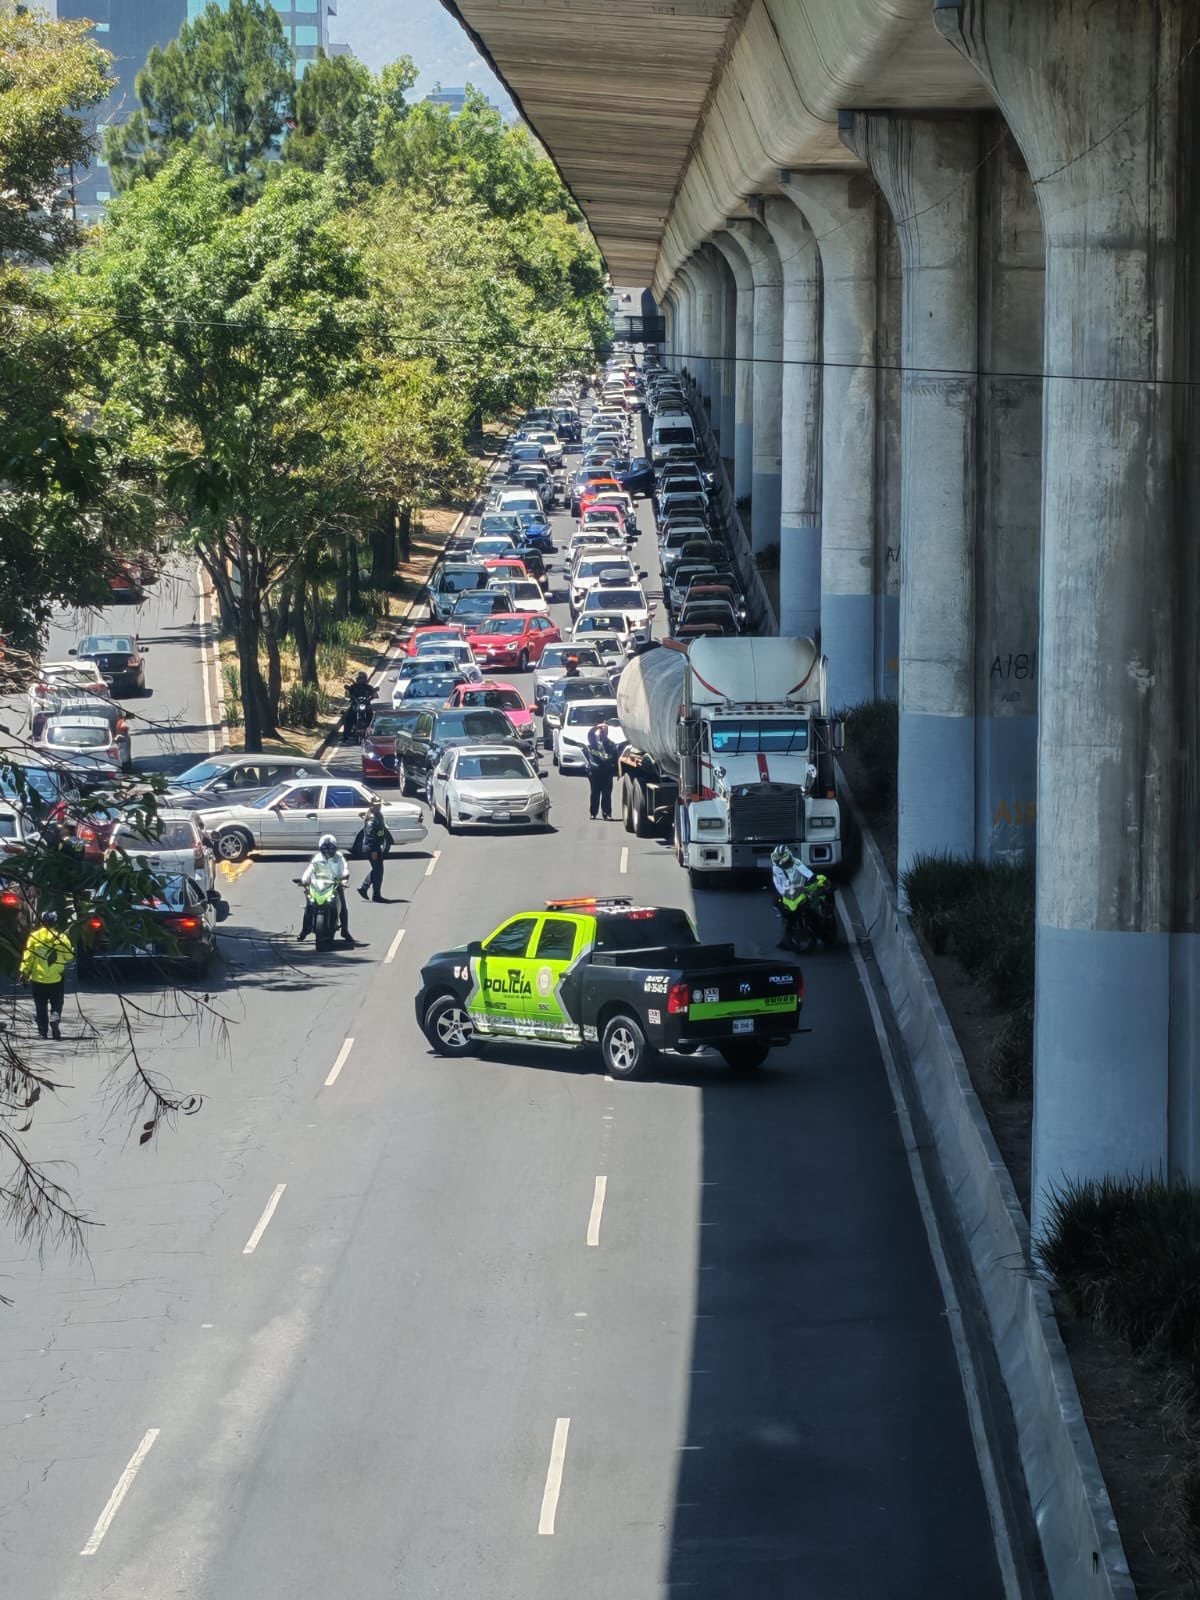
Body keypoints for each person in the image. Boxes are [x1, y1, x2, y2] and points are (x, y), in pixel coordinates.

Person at [19, 910, 73, 1040]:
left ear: (42, 922)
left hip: (38, 978)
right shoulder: (61, 938)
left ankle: (43, 1032)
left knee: (40, 1006)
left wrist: (24, 972)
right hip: (56, 977)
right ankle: (55, 1017)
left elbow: (28, 957)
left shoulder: (34, 937)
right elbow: (69, 956)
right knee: (57, 1003)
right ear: (55, 922)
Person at [299, 834, 355, 946]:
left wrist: (344, 878)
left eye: (330, 848)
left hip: (334, 884)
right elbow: (309, 870)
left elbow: (344, 869)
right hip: (317, 886)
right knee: (309, 906)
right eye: (325, 848)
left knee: (343, 907)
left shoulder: (339, 858)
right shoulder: (317, 858)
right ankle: (305, 930)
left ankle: (345, 930)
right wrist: (304, 880)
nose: (328, 851)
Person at [771, 845, 812, 951]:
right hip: (786, 892)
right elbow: (778, 884)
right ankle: (787, 939)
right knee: (787, 913)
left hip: (800, 889)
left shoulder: (796, 862)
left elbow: (806, 871)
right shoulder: (776, 868)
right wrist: (786, 893)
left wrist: (812, 878)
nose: (782, 863)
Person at [584, 719, 621, 821]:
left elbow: (615, 758)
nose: (602, 733)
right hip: (595, 772)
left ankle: (607, 813)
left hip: (607, 773)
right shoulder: (593, 742)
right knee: (595, 793)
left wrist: (617, 771)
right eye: (601, 731)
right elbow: (590, 734)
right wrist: (596, 726)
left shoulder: (611, 745)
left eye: (605, 731)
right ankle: (593, 813)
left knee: (606, 794)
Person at [357, 800, 392, 903]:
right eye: (377, 805)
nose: (379, 807)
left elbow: (382, 829)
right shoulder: (371, 820)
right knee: (377, 870)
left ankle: (374, 894)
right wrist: (373, 851)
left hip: (377, 846)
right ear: (371, 806)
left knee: (378, 870)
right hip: (372, 848)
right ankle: (365, 888)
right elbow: (370, 836)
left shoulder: (378, 815)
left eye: (380, 805)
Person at [341, 672, 374, 742]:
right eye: (360, 679)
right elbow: (347, 694)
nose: (361, 680)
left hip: (366, 705)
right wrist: (348, 693)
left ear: (365, 679)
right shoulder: (353, 687)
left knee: (372, 716)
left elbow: (374, 694)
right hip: (355, 705)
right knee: (347, 716)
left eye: (363, 678)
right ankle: (345, 735)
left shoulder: (368, 687)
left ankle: (374, 732)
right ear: (357, 679)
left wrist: (373, 694)